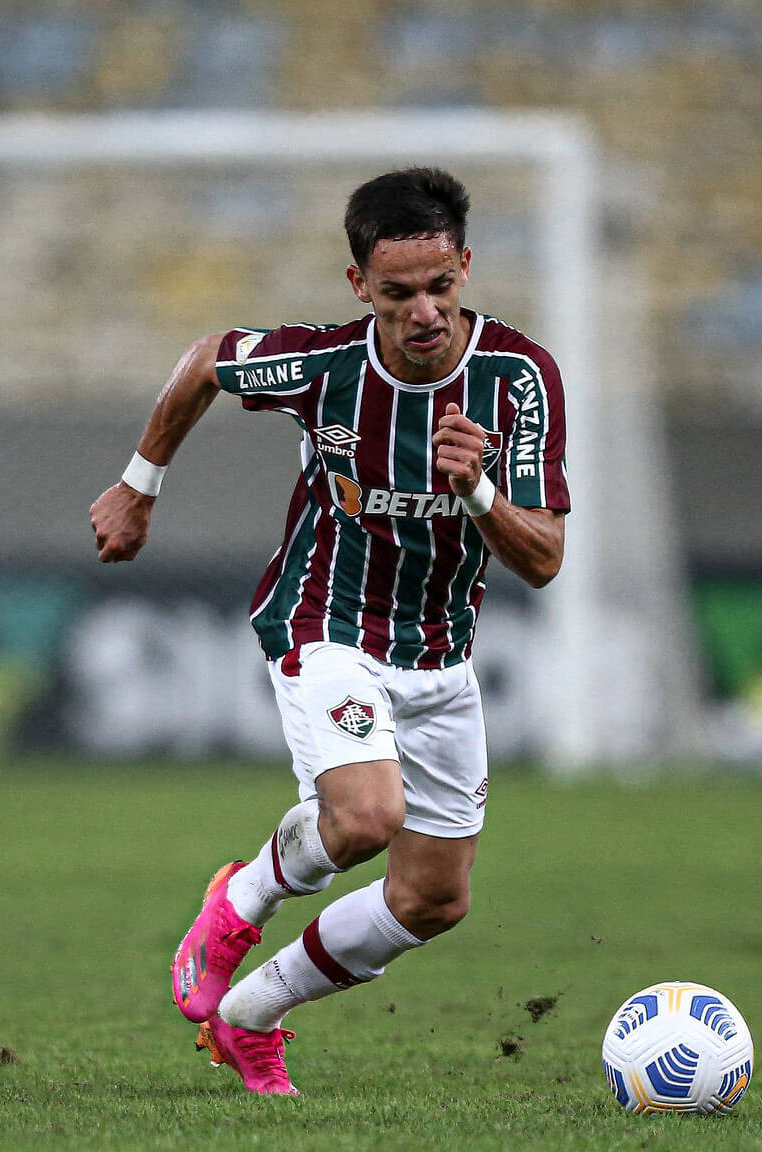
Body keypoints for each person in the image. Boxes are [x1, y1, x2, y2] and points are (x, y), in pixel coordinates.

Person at [88, 168, 569, 1096]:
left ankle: (252, 1015)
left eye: (440, 286)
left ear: (464, 266)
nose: (424, 311)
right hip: (327, 620)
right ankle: (238, 902)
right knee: (365, 818)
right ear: (361, 286)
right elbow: (204, 363)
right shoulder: (324, 365)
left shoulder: (519, 377)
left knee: (433, 899)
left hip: (440, 656)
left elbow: (544, 558)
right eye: (398, 293)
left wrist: (476, 490)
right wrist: (138, 487)